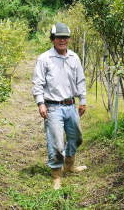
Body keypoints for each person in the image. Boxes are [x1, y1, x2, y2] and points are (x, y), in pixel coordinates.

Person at [32, 22, 87, 190]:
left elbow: (81, 80)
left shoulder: (74, 57)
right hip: (53, 107)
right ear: (53, 39)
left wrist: (83, 100)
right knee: (56, 143)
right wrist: (40, 103)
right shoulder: (44, 58)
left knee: (76, 138)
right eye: (59, 37)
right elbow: (37, 83)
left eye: (65, 37)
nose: (62, 40)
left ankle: (69, 165)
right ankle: (56, 175)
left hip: (71, 105)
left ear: (69, 39)